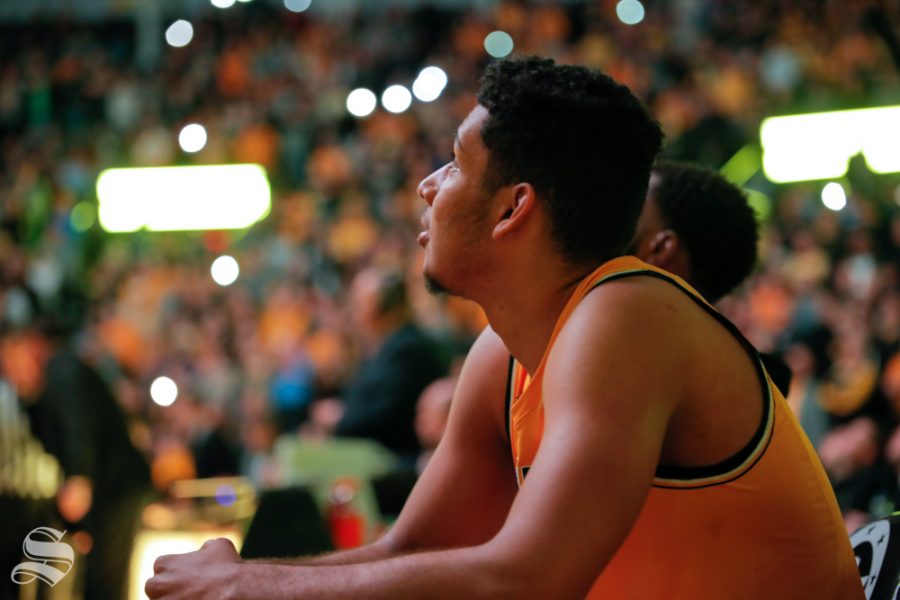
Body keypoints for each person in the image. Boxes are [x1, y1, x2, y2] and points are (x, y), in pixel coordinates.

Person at [147, 56, 862, 599]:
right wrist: (245, 577)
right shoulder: (506, 350)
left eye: (455, 163)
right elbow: (413, 548)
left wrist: (250, 589)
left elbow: (524, 581)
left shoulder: (629, 310)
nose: (427, 185)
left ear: (513, 209)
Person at [308, 266, 446, 465]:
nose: (353, 312)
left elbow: (388, 417)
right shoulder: (382, 348)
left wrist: (339, 418)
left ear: (383, 308)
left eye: (360, 303)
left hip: (398, 466)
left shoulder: (408, 348)